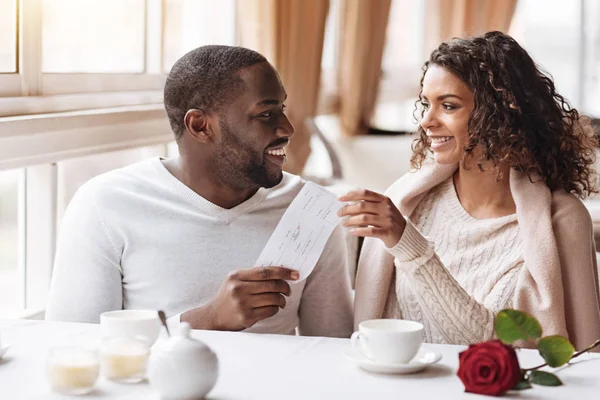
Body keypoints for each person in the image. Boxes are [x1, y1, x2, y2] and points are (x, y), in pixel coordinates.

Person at [46, 45, 353, 338]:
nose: (287, 128)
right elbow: (73, 345)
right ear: (200, 126)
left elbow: (334, 347)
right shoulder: (105, 205)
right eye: (265, 114)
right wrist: (209, 320)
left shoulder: (309, 210)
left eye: (282, 109)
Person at [342, 31, 600, 349]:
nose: (426, 121)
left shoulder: (561, 220)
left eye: (448, 106)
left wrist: (409, 245)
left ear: (501, 113)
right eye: (426, 104)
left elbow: (498, 353)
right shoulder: (408, 203)